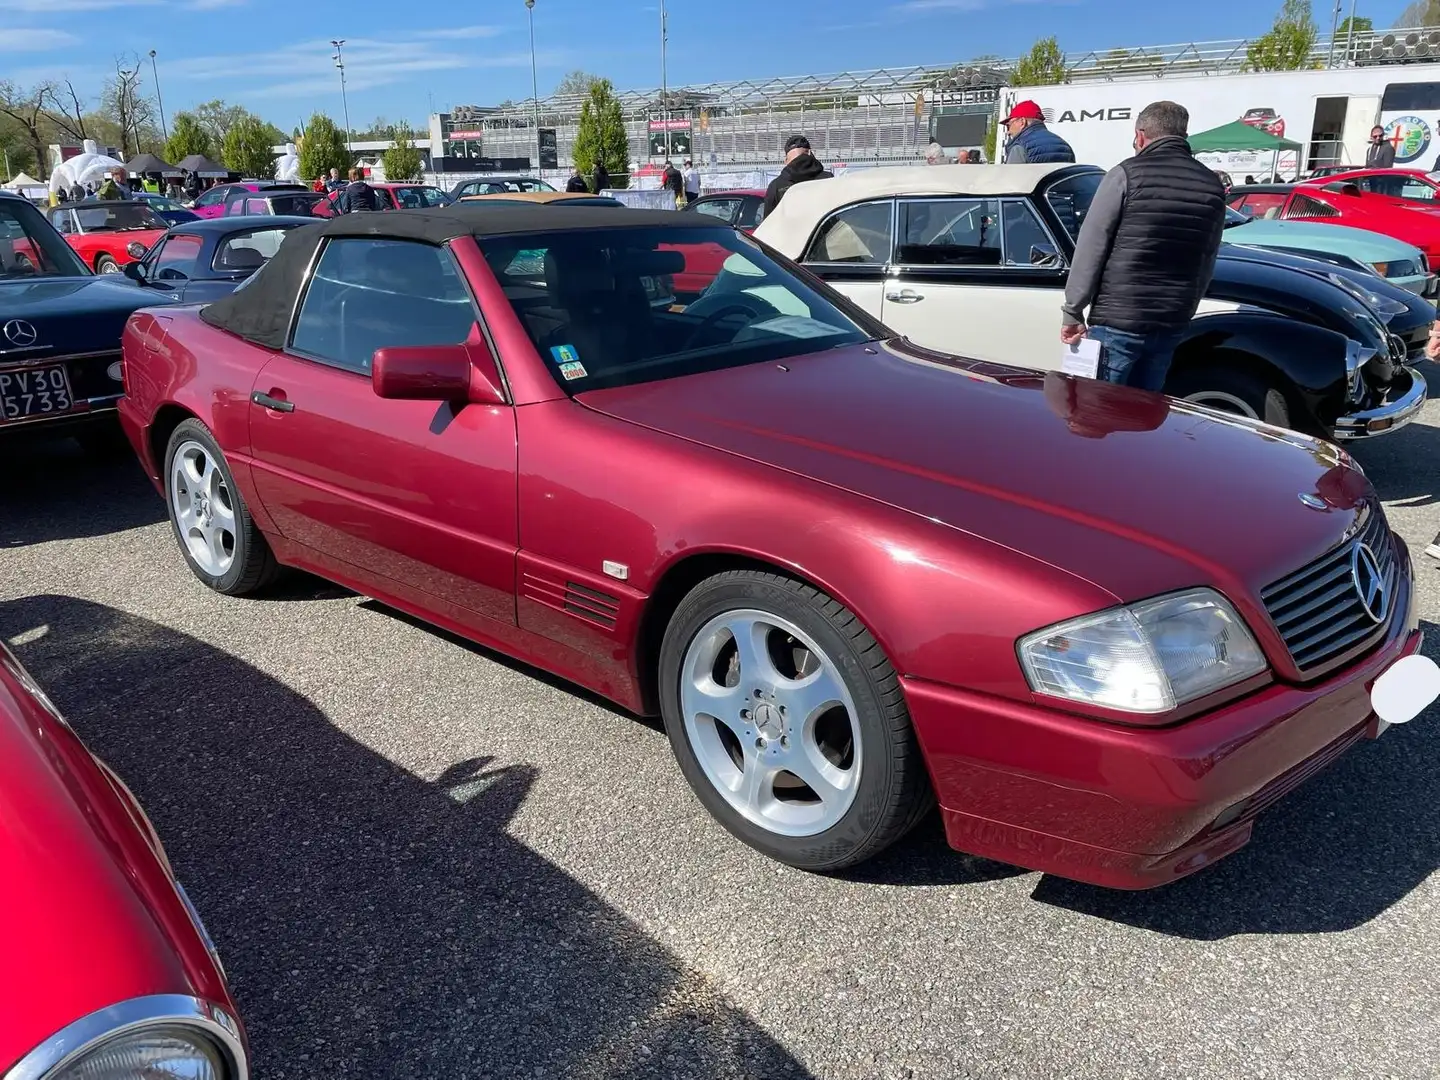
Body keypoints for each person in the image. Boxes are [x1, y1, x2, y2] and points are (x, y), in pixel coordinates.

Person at [1059, 100, 1226, 391]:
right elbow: (1207, 257)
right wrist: (1185, 308)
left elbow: (1092, 243)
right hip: (1172, 320)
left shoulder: (1126, 174)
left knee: (1096, 416)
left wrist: (1073, 310)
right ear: (1182, 135)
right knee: (1142, 420)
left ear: (1140, 135)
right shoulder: (1211, 184)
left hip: (1118, 319)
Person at [762, 135, 833, 216]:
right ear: (810, 153)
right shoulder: (828, 179)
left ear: (786, 161)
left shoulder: (776, 186)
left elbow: (768, 224)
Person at [1000, 100, 1074, 164]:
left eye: (1008, 125)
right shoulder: (1065, 146)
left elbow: (1012, 179)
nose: (1008, 132)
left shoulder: (1019, 147)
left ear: (1022, 122)